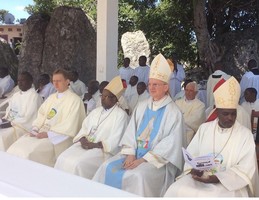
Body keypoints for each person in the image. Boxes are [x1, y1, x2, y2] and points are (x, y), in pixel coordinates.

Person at [93, 53, 185, 197]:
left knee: (138, 176)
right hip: (134, 154)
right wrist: (130, 154)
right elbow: (131, 132)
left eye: (156, 84)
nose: (151, 88)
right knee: (106, 167)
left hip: (157, 161)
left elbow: (170, 145)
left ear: (166, 87)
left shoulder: (174, 113)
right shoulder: (142, 106)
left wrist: (142, 160)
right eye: (150, 83)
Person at [164, 76, 259, 197]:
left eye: (233, 113)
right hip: (201, 178)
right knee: (176, 188)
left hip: (229, 184)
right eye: (225, 114)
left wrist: (217, 178)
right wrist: (193, 169)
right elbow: (192, 154)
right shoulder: (205, 129)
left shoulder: (245, 135)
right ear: (217, 112)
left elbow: (246, 168)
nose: (230, 118)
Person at [7, 69, 86, 167]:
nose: (56, 84)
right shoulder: (52, 97)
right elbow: (41, 115)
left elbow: (71, 126)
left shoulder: (75, 100)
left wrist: (48, 134)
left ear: (67, 81)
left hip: (57, 139)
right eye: (54, 81)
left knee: (28, 153)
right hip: (41, 133)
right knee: (15, 148)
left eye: (59, 81)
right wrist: (35, 129)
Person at [54, 76, 129, 179]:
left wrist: (94, 145)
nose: (103, 99)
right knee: (62, 157)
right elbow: (84, 128)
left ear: (115, 99)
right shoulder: (96, 111)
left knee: (78, 164)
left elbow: (116, 140)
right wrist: (83, 139)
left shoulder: (121, 115)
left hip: (102, 150)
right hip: (85, 144)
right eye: (103, 96)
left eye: (108, 97)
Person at [0, 71, 43, 151]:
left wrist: (10, 123)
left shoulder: (34, 97)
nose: (20, 83)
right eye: (18, 80)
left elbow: (29, 118)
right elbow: (9, 111)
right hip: (10, 123)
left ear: (30, 81)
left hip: (22, 127)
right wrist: (3, 120)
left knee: (1, 137)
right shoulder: (16, 95)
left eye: (23, 80)